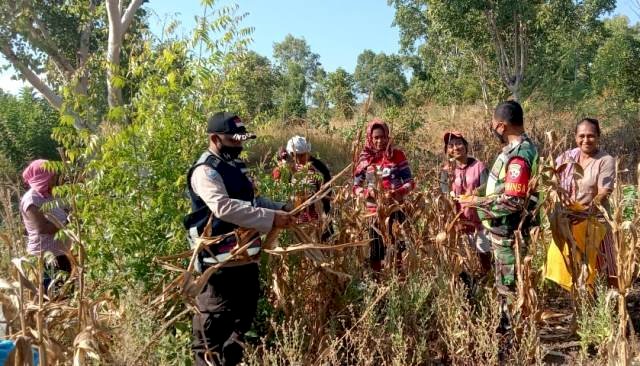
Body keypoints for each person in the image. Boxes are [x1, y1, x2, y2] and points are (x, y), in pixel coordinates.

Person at [184, 112, 295, 366]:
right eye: (234, 141)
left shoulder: (236, 167)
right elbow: (224, 208)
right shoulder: (206, 171)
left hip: (245, 263)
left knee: (239, 328)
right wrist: (271, 218)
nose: (240, 146)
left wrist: (283, 208)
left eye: (241, 141)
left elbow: (251, 203)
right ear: (215, 138)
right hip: (218, 271)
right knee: (211, 338)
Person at [461, 101, 539, 332]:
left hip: (508, 231)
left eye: (494, 126)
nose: (494, 130)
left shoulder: (519, 155)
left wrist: (478, 204)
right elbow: (503, 186)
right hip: (503, 230)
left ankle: (511, 334)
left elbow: (514, 201)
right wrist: (479, 192)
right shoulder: (518, 150)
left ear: (502, 126)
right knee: (506, 281)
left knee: (508, 285)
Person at [544, 118, 617, 289]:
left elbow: (604, 192)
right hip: (570, 221)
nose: (586, 140)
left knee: (608, 269)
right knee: (573, 267)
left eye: (591, 136)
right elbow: (552, 180)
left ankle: (617, 308)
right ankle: (582, 306)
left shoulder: (605, 160)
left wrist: (586, 212)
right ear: (575, 137)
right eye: (581, 136)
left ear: (598, 136)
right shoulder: (567, 157)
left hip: (596, 221)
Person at [353, 119, 415, 274]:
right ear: (370, 138)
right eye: (376, 138)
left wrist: (397, 192)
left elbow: (410, 182)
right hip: (374, 212)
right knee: (376, 251)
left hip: (395, 208)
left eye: (382, 137)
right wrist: (368, 194)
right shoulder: (364, 159)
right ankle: (378, 281)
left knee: (398, 248)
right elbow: (355, 187)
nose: (380, 141)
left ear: (388, 137)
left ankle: (399, 279)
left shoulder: (397, 155)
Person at [439, 131, 492, 275]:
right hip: (458, 224)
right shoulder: (446, 171)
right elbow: (443, 193)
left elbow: (488, 190)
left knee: (484, 256)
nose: (455, 148)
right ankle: (468, 286)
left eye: (458, 143)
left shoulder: (479, 167)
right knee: (462, 260)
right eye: (451, 145)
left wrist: (472, 195)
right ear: (447, 150)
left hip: (478, 222)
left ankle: (487, 280)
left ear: (466, 145)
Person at [19, 159, 71, 292]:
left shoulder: (48, 195)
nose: (54, 180)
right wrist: (67, 222)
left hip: (60, 253)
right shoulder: (32, 199)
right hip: (46, 258)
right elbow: (42, 228)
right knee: (53, 296)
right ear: (42, 177)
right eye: (51, 176)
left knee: (66, 296)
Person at [273, 136, 333, 239]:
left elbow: (326, 196)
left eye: (302, 156)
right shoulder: (285, 168)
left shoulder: (318, 168)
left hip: (314, 216)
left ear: (308, 153)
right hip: (292, 216)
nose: (298, 159)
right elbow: (278, 191)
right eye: (294, 156)